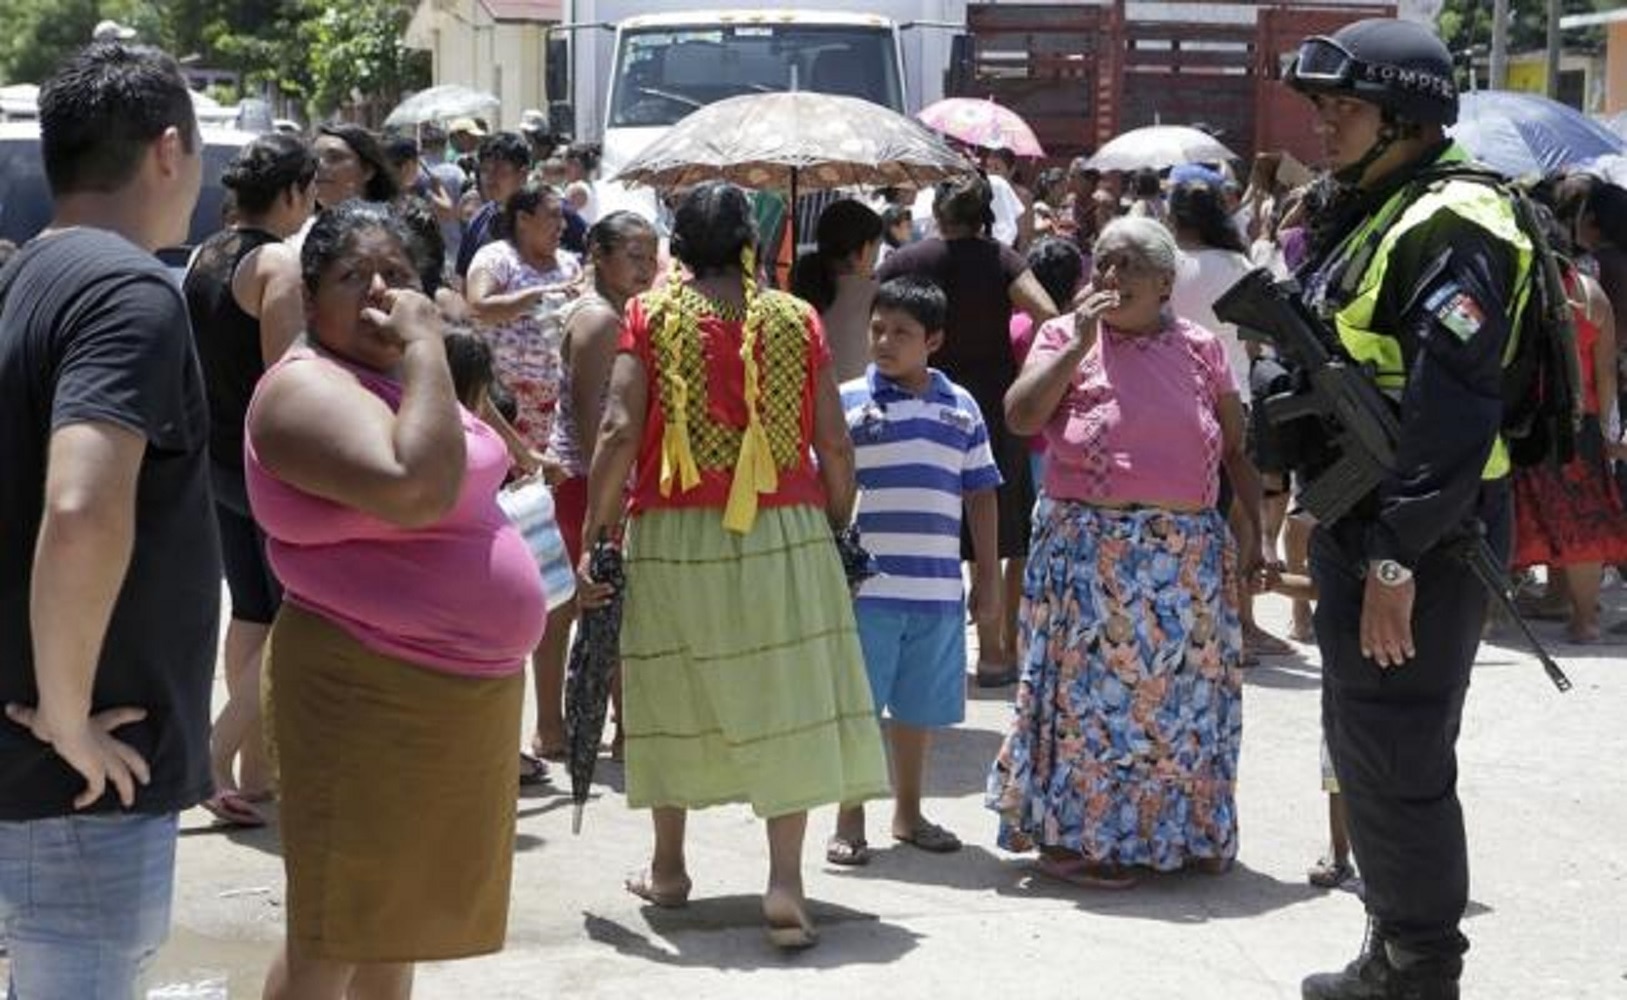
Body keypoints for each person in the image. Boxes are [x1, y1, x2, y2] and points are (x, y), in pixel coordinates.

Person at [1284, 19, 1534, 998]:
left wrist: (1394, 557)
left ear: (1405, 116)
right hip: (1374, 518)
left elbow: (1453, 409)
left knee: (1398, 753)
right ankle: (1391, 946)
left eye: (1343, 107)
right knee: (1366, 747)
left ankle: (1421, 969)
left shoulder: (1455, 222)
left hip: (1425, 534)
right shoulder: (1383, 204)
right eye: (1320, 105)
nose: (1324, 123)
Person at [577, 181, 889, 948]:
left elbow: (618, 430)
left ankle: (670, 868)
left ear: (677, 249)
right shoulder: (794, 317)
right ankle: (784, 883)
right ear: (751, 246)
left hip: (675, 534)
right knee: (785, 696)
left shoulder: (649, 317)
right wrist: (837, 523)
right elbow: (835, 443)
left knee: (669, 689)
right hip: (785, 531)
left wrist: (596, 534)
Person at [248, 201, 545, 998]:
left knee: (397, 924)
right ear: (312, 302)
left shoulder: (401, 376)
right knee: (335, 930)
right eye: (354, 276)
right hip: (365, 685)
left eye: (399, 276)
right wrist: (423, 344)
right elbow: (415, 489)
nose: (380, 291)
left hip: (453, 689)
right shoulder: (306, 388)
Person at [0, 42, 218, 995]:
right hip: (79, 782)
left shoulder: (23, 282)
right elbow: (83, 505)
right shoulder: (127, 294)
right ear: (168, 151)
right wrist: (64, 713)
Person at [986, 216, 1262, 889]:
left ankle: (1181, 833)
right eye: (1102, 264)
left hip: (1184, 561)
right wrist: (1075, 346)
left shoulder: (1200, 348)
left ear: (1165, 283)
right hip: (1090, 559)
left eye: (1129, 266)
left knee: (1180, 709)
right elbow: (1021, 418)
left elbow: (1233, 446)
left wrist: (1253, 530)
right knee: (1091, 712)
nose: (1110, 279)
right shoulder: (1062, 335)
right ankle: (1082, 842)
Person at [826, 276, 1002, 867]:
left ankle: (908, 812)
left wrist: (989, 579)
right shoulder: (848, 400)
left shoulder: (962, 407)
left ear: (934, 340)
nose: (885, 341)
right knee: (860, 707)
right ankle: (850, 818)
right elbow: (825, 482)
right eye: (878, 329)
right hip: (866, 588)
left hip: (935, 588)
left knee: (918, 711)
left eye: (902, 333)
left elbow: (981, 493)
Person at [183, 132, 317, 828]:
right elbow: (285, 385)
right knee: (295, 618)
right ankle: (215, 754)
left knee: (255, 613)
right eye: (310, 192)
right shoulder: (276, 264)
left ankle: (255, 770)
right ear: (291, 193)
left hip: (215, 463)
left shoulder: (205, 254)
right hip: (263, 467)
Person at [878, 173, 1059, 686]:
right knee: (999, 529)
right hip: (992, 405)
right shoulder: (1002, 259)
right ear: (985, 215)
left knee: (930, 521)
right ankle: (996, 650)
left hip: (919, 399)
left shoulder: (906, 262)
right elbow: (1046, 311)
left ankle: (934, 652)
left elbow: (881, 315)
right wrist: (1028, 374)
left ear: (937, 211)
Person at [465, 182, 582, 766]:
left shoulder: (569, 264)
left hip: (556, 431)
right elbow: (477, 306)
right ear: (522, 219)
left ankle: (551, 720)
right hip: (504, 422)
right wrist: (544, 294)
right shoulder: (498, 259)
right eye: (552, 215)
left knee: (552, 564)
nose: (561, 226)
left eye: (563, 217)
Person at [543, 210, 659, 762]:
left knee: (590, 606)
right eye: (633, 255)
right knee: (583, 606)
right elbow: (596, 421)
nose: (646, 266)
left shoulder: (614, 314)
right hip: (588, 483)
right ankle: (562, 727)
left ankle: (606, 726)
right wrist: (608, 500)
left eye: (650, 254)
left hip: (591, 481)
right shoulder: (600, 322)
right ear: (599, 255)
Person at [1168, 168, 1293, 662]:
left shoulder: (1166, 266)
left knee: (1188, 514)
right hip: (1235, 398)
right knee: (1242, 516)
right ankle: (1241, 623)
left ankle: (1191, 619)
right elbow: (1258, 338)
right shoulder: (1239, 265)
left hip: (1177, 402)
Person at [1508, 204, 1626, 641]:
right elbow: (1606, 370)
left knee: (1533, 514)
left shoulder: (1521, 290)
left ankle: (1497, 613)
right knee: (1584, 521)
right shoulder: (1592, 292)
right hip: (1583, 421)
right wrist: (1610, 432)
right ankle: (1581, 616)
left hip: (1532, 422)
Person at [790, 198, 884, 382]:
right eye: (876, 249)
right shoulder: (878, 297)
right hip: (857, 405)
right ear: (864, 250)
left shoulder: (798, 288)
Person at [456, 131, 532, 278]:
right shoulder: (479, 220)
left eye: (500, 171)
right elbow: (464, 277)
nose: (490, 179)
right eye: (485, 170)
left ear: (523, 174)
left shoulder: (551, 214)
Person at [311, 123, 399, 210]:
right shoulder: (305, 222)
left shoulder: (384, 221)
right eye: (313, 159)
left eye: (334, 157)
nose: (319, 165)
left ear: (368, 170)